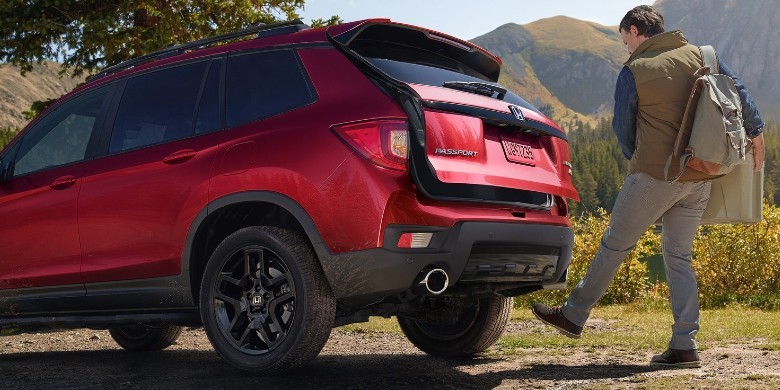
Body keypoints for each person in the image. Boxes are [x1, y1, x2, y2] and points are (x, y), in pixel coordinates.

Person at [532, 5, 765, 368]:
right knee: (678, 258)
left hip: (655, 177)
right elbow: (739, 92)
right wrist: (758, 131)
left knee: (614, 245)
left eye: (626, 39)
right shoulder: (705, 54)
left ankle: (573, 315)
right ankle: (684, 345)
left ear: (637, 30)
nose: (626, 47)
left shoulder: (635, 70)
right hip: (700, 177)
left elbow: (623, 129)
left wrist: (636, 159)